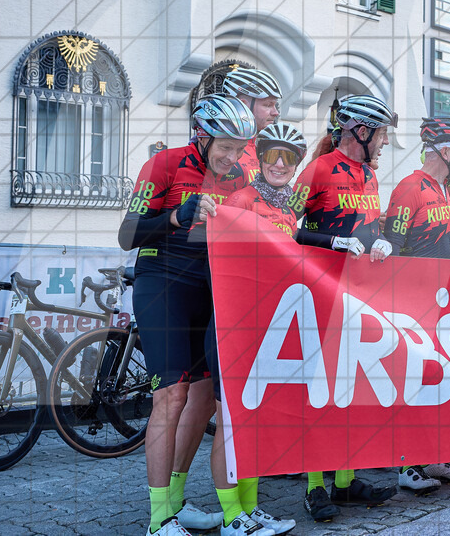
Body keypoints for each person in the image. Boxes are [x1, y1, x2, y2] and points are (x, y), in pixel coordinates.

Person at [119, 95, 260, 536]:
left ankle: (176, 502)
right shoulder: (164, 164)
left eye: (240, 148)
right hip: (162, 280)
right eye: (226, 148)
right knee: (171, 397)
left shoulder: (238, 175)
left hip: (209, 286)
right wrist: (176, 217)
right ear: (201, 134)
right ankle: (159, 519)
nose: (233, 158)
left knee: (201, 400)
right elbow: (128, 234)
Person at [292, 94, 398, 517]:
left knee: (349, 388)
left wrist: (380, 242)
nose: (386, 142)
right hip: (319, 290)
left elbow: (368, 231)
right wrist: (330, 241)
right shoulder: (318, 168)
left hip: (357, 293)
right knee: (320, 389)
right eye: (383, 133)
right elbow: (286, 227)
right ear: (361, 131)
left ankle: (344, 480)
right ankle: (314, 485)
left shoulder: (370, 176)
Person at [218, 124, 311, 535]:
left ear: (295, 165)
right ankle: (229, 517)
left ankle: (250, 509)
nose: (278, 164)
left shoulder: (290, 210)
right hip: (238, 324)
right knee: (233, 422)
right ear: (261, 156)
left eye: (287, 157)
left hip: (271, 326)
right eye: (271, 154)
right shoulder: (240, 200)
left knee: (254, 419)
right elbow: (225, 265)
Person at [383, 117, 450, 491]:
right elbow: (390, 247)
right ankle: (405, 465)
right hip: (409, 304)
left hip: (441, 304)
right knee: (410, 382)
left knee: (435, 381)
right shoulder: (409, 188)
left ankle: (431, 456)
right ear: (445, 150)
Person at [221, 67, 283, 183]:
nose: (275, 112)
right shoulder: (217, 151)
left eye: (275, 105)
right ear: (243, 105)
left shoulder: (263, 148)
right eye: (268, 105)